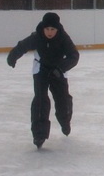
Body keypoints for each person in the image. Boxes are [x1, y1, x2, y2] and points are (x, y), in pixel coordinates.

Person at [7, 12, 80, 149]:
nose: (49, 32)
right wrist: (12, 56)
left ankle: (65, 121)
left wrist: (61, 68)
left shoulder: (64, 38)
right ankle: (39, 134)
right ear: (43, 28)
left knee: (62, 99)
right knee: (40, 100)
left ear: (57, 29)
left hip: (58, 71)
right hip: (41, 69)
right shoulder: (37, 36)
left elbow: (74, 55)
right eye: (47, 29)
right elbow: (22, 46)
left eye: (53, 29)